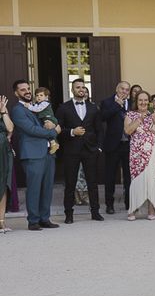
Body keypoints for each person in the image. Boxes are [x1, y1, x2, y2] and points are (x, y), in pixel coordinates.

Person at [10, 80, 61, 231]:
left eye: (28, 88)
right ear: (16, 93)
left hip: (48, 153)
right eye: (22, 89)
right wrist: (54, 131)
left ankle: (45, 218)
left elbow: (50, 120)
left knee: (47, 187)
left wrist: (54, 124)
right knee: (34, 188)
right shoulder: (18, 110)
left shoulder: (38, 107)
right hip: (32, 154)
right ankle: (33, 221)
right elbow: (31, 129)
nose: (27, 91)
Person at [55, 78, 104, 223]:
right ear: (72, 90)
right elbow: (58, 130)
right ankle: (69, 214)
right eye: (78, 87)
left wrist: (99, 147)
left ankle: (95, 212)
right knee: (70, 183)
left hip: (90, 150)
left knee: (92, 183)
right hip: (71, 150)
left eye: (83, 87)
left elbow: (100, 130)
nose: (81, 89)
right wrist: (71, 132)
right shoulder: (64, 108)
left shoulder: (94, 108)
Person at [124, 91, 155, 220]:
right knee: (137, 178)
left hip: (153, 152)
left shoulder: (153, 115)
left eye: (145, 100)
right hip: (137, 153)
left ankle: (152, 209)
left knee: (152, 179)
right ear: (136, 102)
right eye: (140, 100)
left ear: (148, 102)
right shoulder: (130, 114)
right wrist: (139, 119)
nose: (143, 103)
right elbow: (127, 131)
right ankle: (132, 209)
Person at [101, 81, 132, 214]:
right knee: (110, 176)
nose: (124, 92)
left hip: (128, 144)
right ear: (117, 89)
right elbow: (103, 117)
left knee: (128, 176)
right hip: (113, 144)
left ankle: (129, 203)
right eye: (122, 89)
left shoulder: (131, 103)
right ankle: (109, 204)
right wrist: (116, 105)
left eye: (127, 90)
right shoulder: (107, 102)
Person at [27, 87, 60, 154]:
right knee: (46, 130)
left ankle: (54, 143)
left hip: (49, 118)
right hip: (44, 119)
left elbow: (37, 109)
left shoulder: (45, 103)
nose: (39, 97)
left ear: (46, 97)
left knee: (47, 128)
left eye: (41, 95)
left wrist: (29, 106)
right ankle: (53, 143)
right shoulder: (38, 103)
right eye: (37, 95)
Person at [0, 95, 14, 233]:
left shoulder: (3, 108)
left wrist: (3, 112)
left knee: (3, 184)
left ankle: (1, 222)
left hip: (3, 151)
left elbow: (10, 128)